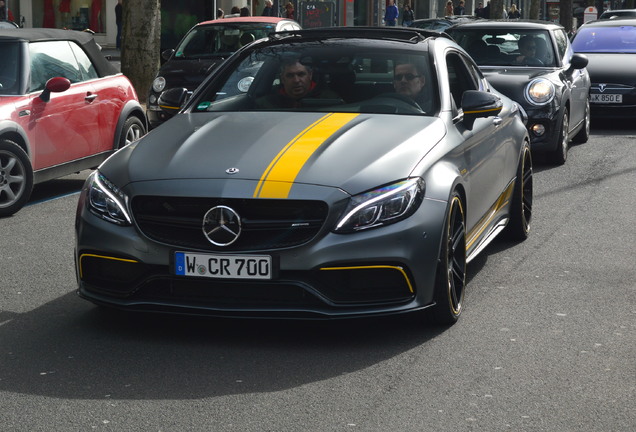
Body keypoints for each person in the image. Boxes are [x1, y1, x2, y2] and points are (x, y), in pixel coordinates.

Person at [256, 60, 339, 109]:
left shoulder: (330, 100)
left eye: (301, 74)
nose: (296, 80)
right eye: (290, 75)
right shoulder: (266, 103)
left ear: (310, 75)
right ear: (283, 79)